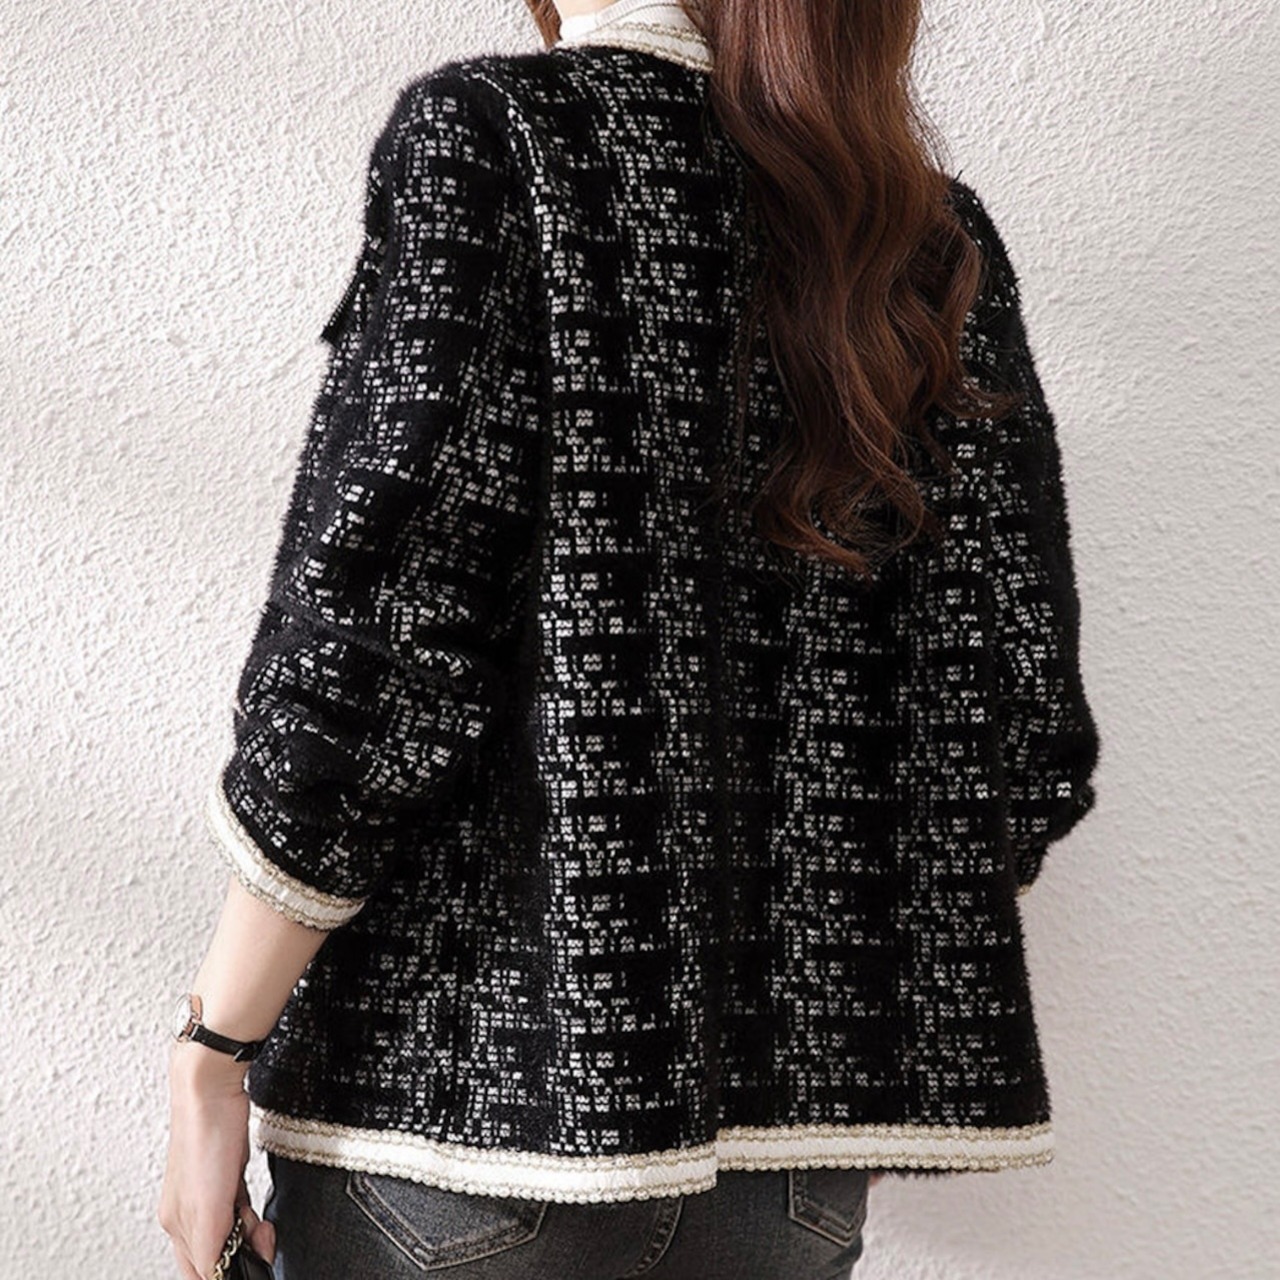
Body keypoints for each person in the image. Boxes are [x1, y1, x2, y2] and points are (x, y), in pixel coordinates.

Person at [158, 0, 1102, 1276]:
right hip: (791, 1185)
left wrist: (214, 1049)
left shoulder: (495, 138)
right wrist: (837, 1036)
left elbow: (375, 658)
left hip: (462, 1136)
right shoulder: (922, 235)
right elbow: (1023, 723)